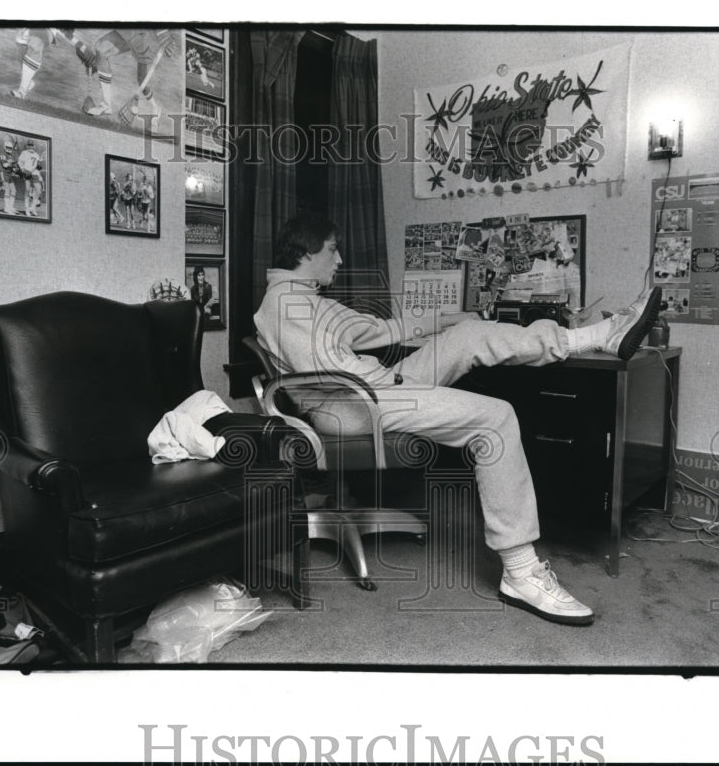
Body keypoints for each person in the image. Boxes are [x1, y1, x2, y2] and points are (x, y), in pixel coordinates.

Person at [254, 213, 663, 626]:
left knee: (468, 336)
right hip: (356, 407)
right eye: (331, 249)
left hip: (376, 389)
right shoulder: (285, 305)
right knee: (496, 417)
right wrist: (395, 379)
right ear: (306, 251)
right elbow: (329, 373)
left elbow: (378, 330)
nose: (339, 259)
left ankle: (594, 336)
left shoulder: (308, 300)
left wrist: (450, 319)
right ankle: (521, 572)